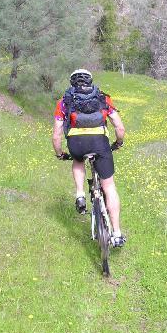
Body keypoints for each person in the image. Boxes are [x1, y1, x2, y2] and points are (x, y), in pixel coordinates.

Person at [52, 69, 126, 247]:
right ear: (91, 81)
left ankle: (80, 194)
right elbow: (119, 127)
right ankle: (116, 234)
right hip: (100, 142)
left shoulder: (64, 102)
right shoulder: (103, 98)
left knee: (78, 161)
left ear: (72, 83)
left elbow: (56, 135)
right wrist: (118, 143)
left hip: (76, 143)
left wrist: (59, 153)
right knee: (109, 187)